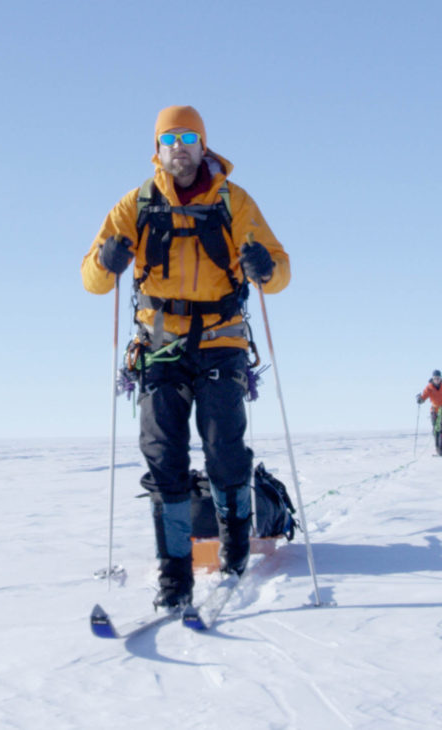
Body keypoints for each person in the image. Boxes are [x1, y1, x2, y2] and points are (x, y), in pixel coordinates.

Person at [81, 105, 290, 609]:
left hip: (222, 340)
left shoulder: (234, 203)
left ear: (203, 145)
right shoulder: (136, 204)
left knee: (224, 450)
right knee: (163, 458)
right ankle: (175, 579)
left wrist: (264, 267)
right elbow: (92, 279)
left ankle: (235, 551)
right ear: (158, 148)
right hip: (159, 347)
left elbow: (279, 274)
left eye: (189, 136)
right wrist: (106, 262)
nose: (180, 146)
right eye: (170, 137)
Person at [416, 370, 442, 456]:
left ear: (441, 378)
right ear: (433, 379)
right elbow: (424, 397)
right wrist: (420, 399)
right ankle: (438, 449)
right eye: (435, 378)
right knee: (436, 430)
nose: (437, 380)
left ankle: (441, 451)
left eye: (438, 378)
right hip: (434, 410)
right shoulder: (429, 388)